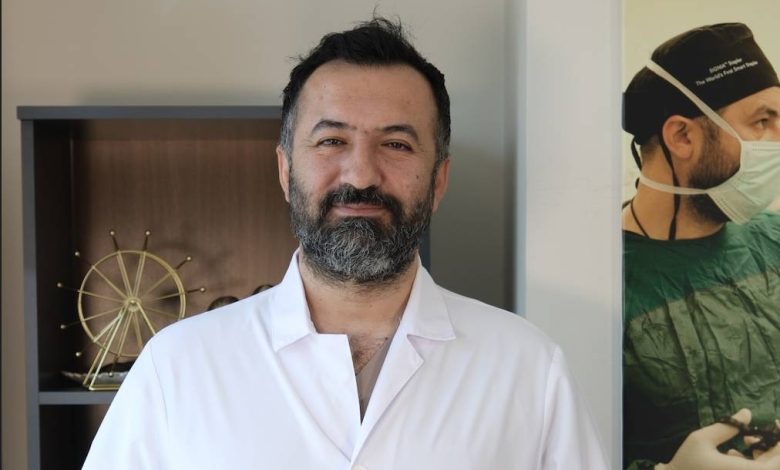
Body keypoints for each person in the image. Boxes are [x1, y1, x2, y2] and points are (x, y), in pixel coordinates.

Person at [83, 17, 606, 469]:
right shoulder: (178, 367)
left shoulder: (529, 369)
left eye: (396, 144)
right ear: (286, 170)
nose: (361, 174)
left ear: (439, 180)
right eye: (332, 140)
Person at [621, 23, 780, 470]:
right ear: (683, 137)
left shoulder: (773, 242)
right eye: (763, 122)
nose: (777, 140)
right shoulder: (599, 280)